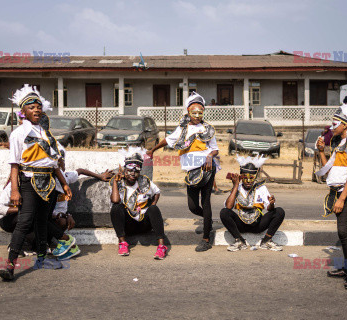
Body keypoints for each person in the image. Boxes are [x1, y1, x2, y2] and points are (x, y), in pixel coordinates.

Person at [0, 84, 72, 281]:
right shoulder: (18, 134)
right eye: (31, 107)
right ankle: (10, 266)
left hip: (48, 183)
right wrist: (15, 190)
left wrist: (63, 184)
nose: (36, 109)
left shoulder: (47, 135)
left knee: (41, 222)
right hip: (28, 182)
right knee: (24, 221)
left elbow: (54, 164)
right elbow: (14, 165)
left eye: (38, 106)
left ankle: (41, 258)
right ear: (23, 112)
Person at [147, 92, 219, 252]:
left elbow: (215, 149)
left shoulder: (207, 129)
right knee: (192, 206)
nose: (198, 115)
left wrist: (209, 156)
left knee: (205, 202)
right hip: (191, 170)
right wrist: (153, 150)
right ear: (188, 112)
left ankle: (206, 239)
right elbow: (168, 139)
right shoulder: (182, 129)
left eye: (201, 112)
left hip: (207, 167)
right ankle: (209, 221)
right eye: (194, 112)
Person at [315, 104, 347, 290]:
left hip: (346, 192)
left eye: (335, 124)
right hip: (336, 191)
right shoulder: (339, 144)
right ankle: (346, 268)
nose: (332, 127)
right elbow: (328, 171)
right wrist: (320, 151)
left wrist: (342, 199)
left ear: (345, 125)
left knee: (342, 231)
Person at [49, 149, 114, 260]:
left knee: (62, 221)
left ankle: (62, 243)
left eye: (63, 163)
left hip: (60, 218)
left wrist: (100, 176)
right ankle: (48, 243)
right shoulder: (48, 182)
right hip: (50, 215)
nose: (62, 166)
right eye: (59, 164)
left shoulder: (66, 177)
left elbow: (80, 171)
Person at [109, 147, 167, 259]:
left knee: (154, 209)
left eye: (136, 171)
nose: (133, 174)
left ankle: (161, 247)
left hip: (144, 224)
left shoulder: (144, 181)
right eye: (130, 170)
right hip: (128, 225)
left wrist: (153, 204)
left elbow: (157, 192)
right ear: (124, 170)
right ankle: (122, 243)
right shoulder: (118, 183)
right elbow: (115, 200)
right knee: (116, 207)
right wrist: (115, 182)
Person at [220, 155, 285, 252]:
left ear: (255, 177)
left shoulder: (261, 188)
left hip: (258, 224)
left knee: (279, 211)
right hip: (241, 224)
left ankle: (266, 240)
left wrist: (271, 203)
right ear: (241, 176)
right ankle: (239, 241)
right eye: (245, 178)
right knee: (224, 212)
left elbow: (270, 209)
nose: (248, 181)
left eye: (251, 178)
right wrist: (236, 185)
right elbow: (229, 206)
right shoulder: (237, 187)